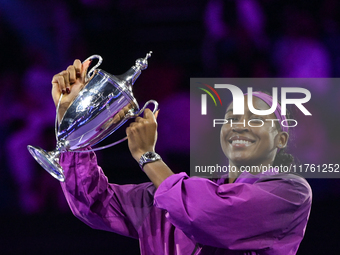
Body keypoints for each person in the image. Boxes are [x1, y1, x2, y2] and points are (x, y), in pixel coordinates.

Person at [52, 59, 312, 255]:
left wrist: (148, 157)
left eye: (254, 119)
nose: (239, 126)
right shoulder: (172, 193)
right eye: (231, 118)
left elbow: (208, 214)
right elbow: (94, 203)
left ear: (281, 140)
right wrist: (76, 119)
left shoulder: (290, 191)